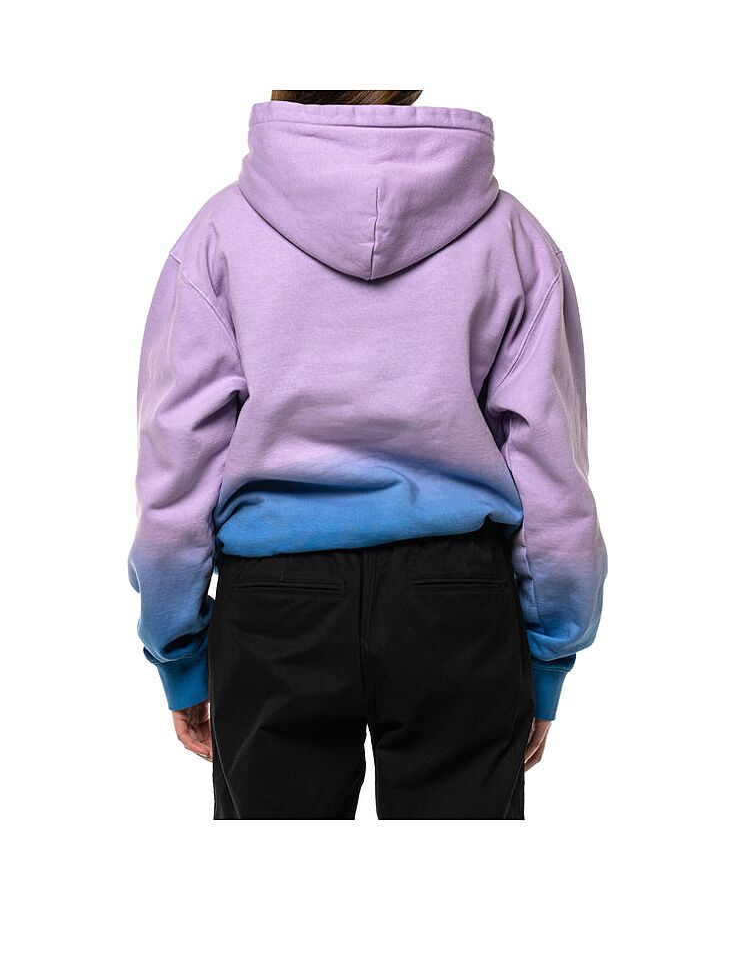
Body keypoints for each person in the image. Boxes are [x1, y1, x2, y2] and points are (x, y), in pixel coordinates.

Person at [128, 89, 608, 819]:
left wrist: (180, 653)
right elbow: (551, 473)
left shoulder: (219, 235)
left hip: (275, 606)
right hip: (457, 602)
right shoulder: (514, 240)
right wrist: (547, 658)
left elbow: (177, 464)